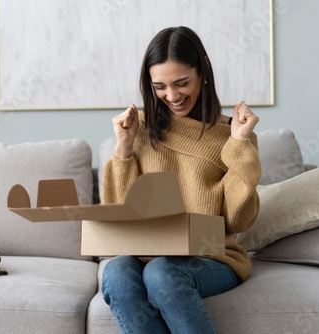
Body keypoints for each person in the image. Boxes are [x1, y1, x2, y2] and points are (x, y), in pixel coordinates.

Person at [101, 26, 261, 334]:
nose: (172, 96)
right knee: (117, 272)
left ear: (202, 72)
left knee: (162, 273)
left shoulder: (232, 134)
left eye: (182, 83)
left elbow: (239, 220)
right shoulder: (140, 127)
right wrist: (123, 147)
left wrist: (240, 144)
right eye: (159, 86)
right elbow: (118, 215)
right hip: (147, 253)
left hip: (214, 257)